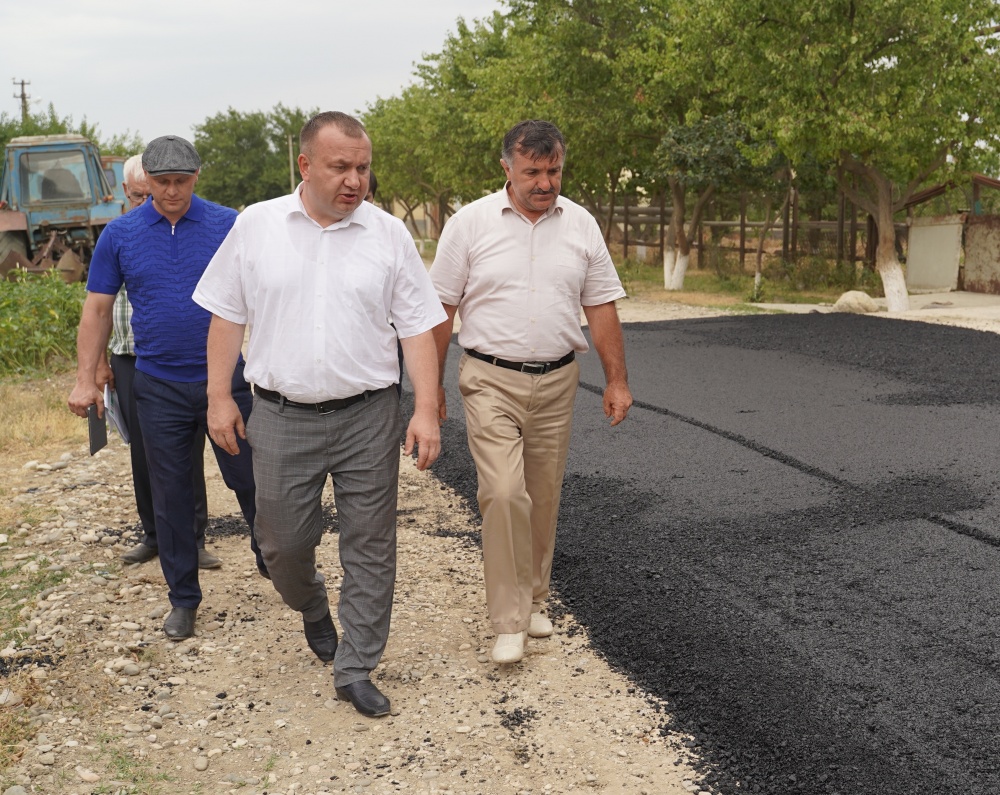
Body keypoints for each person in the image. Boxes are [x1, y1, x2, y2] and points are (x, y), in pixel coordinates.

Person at [194, 111, 444, 718]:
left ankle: (355, 666)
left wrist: (427, 408)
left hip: (369, 416)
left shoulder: (388, 235)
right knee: (281, 544)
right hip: (281, 416)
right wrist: (219, 396)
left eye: (363, 167)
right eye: (340, 167)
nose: (355, 180)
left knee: (370, 542)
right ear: (305, 166)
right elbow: (226, 314)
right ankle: (311, 606)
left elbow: (417, 327)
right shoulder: (256, 225)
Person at [430, 119, 633, 665]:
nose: (545, 183)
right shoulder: (469, 225)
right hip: (488, 378)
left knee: (542, 495)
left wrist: (616, 379)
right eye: (533, 172)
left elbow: (601, 305)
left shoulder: (581, 224)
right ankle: (509, 620)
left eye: (554, 171)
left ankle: (537, 596)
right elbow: (441, 309)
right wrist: (431, 391)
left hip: (559, 379)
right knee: (503, 492)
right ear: (506, 169)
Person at [68, 135, 265, 641]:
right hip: (157, 386)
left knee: (251, 479)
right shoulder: (121, 234)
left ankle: (275, 559)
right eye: (161, 182)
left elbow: (269, 291)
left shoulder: (229, 225)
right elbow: (97, 309)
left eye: (181, 181)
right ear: (146, 182)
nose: (172, 191)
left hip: (228, 382)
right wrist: (86, 378)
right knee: (170, 495)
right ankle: (183, 598)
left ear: (196, 177)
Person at [108, 154, 220, 570]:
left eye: (150, 192)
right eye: (140, 195)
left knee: (185, 451)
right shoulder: (118, 235)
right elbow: (98, 306)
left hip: (178, 363)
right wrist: (98, 365)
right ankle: (154, 535)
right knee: (145, 454)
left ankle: (193, 537)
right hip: (128, 358)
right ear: (128, 192)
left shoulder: (191, 227)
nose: (150, 200)